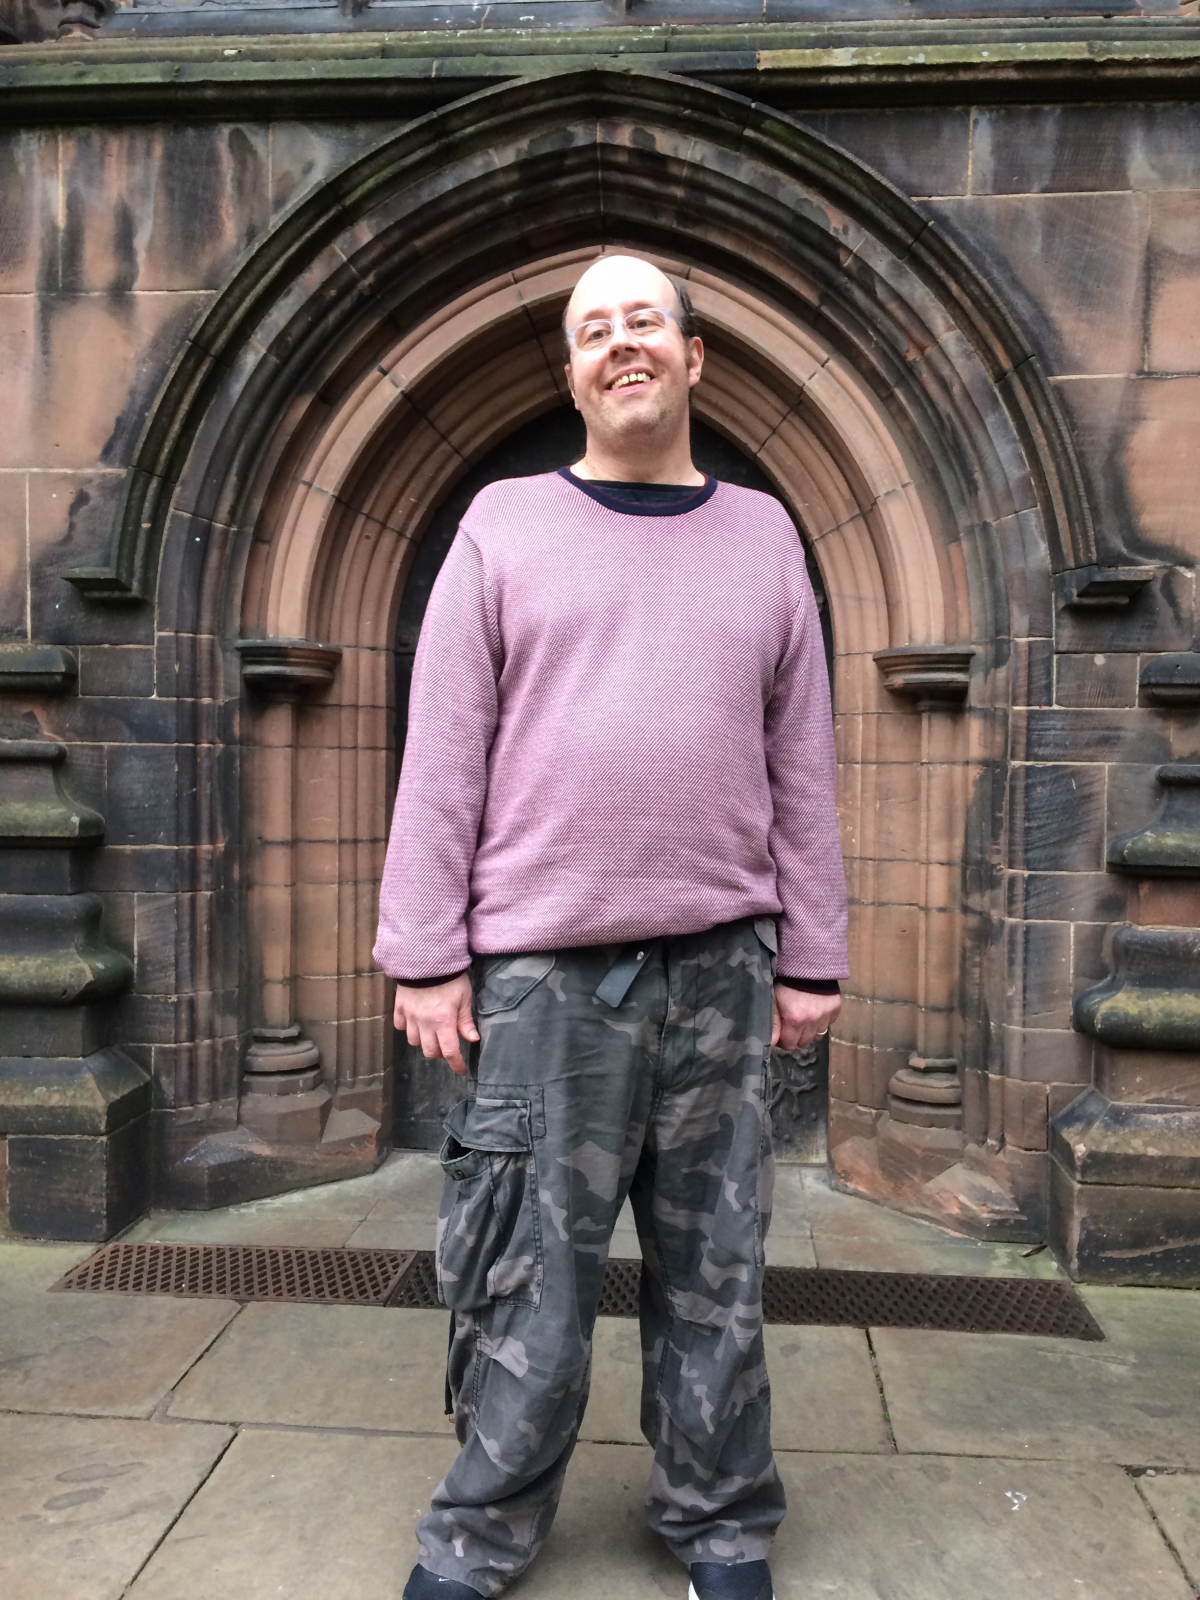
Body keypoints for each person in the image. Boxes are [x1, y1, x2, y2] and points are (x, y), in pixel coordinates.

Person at [373, 252, 848, 1600]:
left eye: (646, 321)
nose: (620, 343)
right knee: (520, 1266)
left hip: (724, 968)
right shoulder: (501, 523)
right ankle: (482, 1529)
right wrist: (424, 951)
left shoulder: (762, 534)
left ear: (695, 357)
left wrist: (813, 949)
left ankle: (719, 1518)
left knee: (719, 1268)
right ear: (573, 370)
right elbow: (442, 752)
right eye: (594, 329)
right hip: (538, 984)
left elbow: (801, 758)